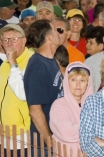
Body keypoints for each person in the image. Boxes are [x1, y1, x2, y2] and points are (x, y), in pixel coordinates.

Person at [24, 20, 63, 155]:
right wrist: (49, 140)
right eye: (55, 29)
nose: (59, 33)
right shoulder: (37, 65)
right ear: (49, 37)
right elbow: (35, 110)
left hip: (55, 136)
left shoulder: (51, 61)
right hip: (43, 144)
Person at [0, 24, 34, 156]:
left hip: (23, 134)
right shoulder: (4, 65)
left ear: (24, 41)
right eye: (5, 40)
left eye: (14, 39)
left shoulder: (32, 61)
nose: (9, 43)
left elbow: (23, 94)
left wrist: (13, 63)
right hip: (4, 132)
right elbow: (0, 95)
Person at [50, 62, 93, 156]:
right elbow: (66, 132)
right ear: (67, 82)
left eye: (82, 80)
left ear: (88, 84)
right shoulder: (58, 105)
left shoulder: (95, 105)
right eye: (73, 80)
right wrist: (94, 131)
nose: (78, 84)